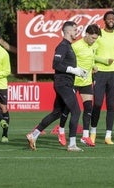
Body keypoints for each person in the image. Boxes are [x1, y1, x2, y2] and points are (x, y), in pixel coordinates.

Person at [26, 21, 88, 151]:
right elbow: (56, 64)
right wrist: (73, 70)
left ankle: (34, 134)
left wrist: (79, 71)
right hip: (63, 84)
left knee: (57, 113)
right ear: (68, 31)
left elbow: (65, 65)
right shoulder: (63, 46)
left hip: (65, 83)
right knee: (76, 111)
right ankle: (72, 144)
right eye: (75, 30)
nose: (77, 32)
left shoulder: (69, 46)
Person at [57, 24, 101, 147]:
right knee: (67, 109)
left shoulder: (93, 46)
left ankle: (85, 136)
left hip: (86, 82)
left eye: (95, 39)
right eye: (92, 38)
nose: (94, 41)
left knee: (88, 108)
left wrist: (93, 66)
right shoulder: (75, 46)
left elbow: (90, 59)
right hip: (74, 81)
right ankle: (61, 131)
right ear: (86, 34)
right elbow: (67, 61)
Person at [90, 11, 114, 145]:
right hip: (100, 72)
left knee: (111, 106)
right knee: (97, 103)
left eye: (113, 18)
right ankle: (93, 132)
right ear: (104, 20)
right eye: (108, 18)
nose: (111, 20)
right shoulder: (98, 35)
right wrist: (101, 62)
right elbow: (91, 53)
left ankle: (108, 136)